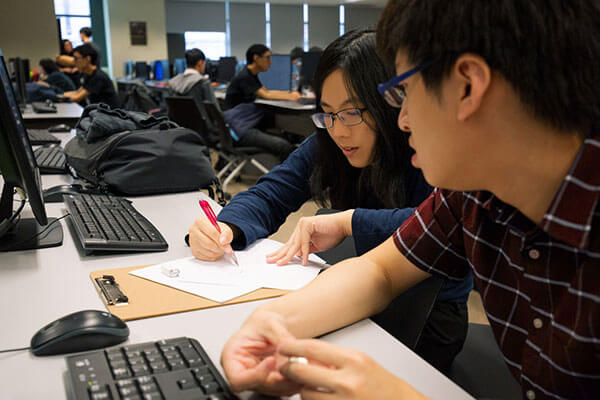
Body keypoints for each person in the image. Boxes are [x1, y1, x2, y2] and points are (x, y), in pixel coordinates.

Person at [218, 1, 600, 398]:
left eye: (405, 91)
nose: (401, 119)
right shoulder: (470, 193)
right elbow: (379, 272)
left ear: (468, 85)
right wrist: (271, 322)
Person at [189, 30, 472, 373]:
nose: (338, 130)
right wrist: (227, 226)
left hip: (427, 308)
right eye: (327, 113)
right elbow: (273, 191)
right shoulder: (329, 140)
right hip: (359, 289)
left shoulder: (427, 153)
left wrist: (350, 220)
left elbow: (448, 224)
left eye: (351, 112)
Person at [225, 44, 302, 109]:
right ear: (256, 58)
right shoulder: (245, 77)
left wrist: (290, 93)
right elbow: (267, 95)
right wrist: (292, 97)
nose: (270, 62)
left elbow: (266, 91)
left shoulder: (251, 74)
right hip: (237, 118)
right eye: (267, 58)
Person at [64, 43, 119, 108]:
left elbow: (77, 97)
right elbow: (77, 92)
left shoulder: (98, 77)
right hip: (100, 113)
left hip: (108, 115)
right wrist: (59, 95)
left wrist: (57, 97)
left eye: (76, 59)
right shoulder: (89, 75)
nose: (74, 62)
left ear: (88, 59)